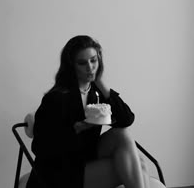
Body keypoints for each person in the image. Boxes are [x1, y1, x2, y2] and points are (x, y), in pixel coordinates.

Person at [26, 35, 150, 188]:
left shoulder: (95, 91)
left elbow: (126, 120)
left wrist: (102, 84)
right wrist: (77, 128)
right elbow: (40, 147)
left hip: (85, 155)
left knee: (123, 137)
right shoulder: (57, 98)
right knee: (132, 166)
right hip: (59, 170)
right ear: (71, 66)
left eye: (93, 60)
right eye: (82, 63)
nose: (90, 67)